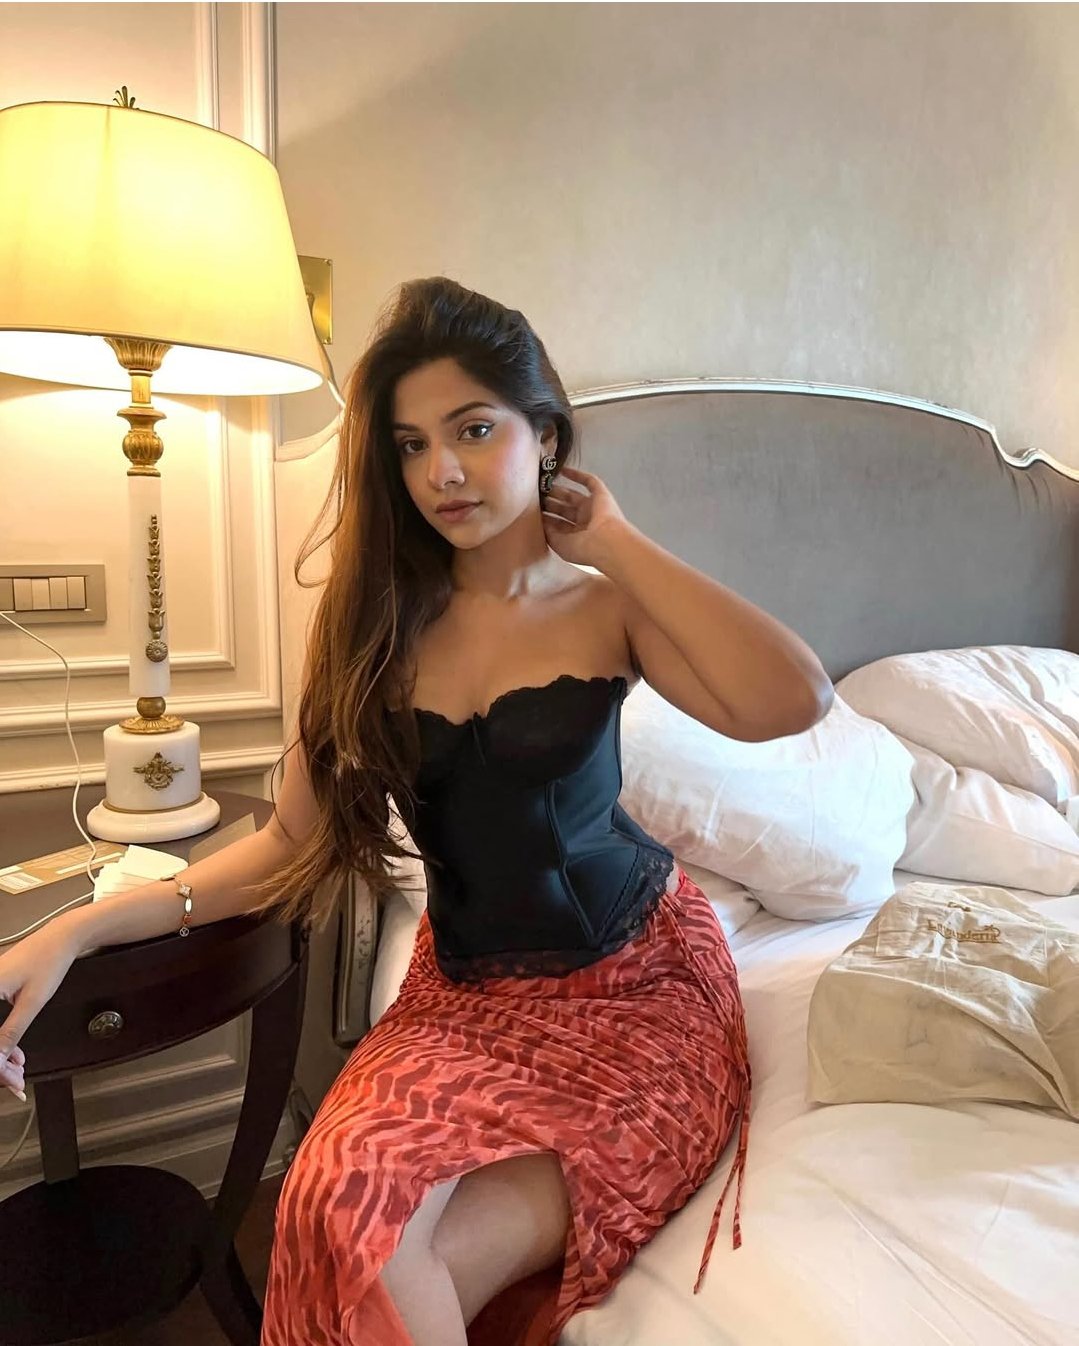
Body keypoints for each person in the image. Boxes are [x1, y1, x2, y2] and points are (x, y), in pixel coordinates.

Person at [0, 277, 833, 1346]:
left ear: (545, 437)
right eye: (410, 444)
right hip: (465, 1000)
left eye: (474, 430)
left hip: (636, 989)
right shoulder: (370, 624)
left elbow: (793, 700)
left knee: (385, 1268)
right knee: (327, 1205)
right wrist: (79, 927)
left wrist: (618, 541)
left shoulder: (606, 605)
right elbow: (286, 845)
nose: (440, 470)